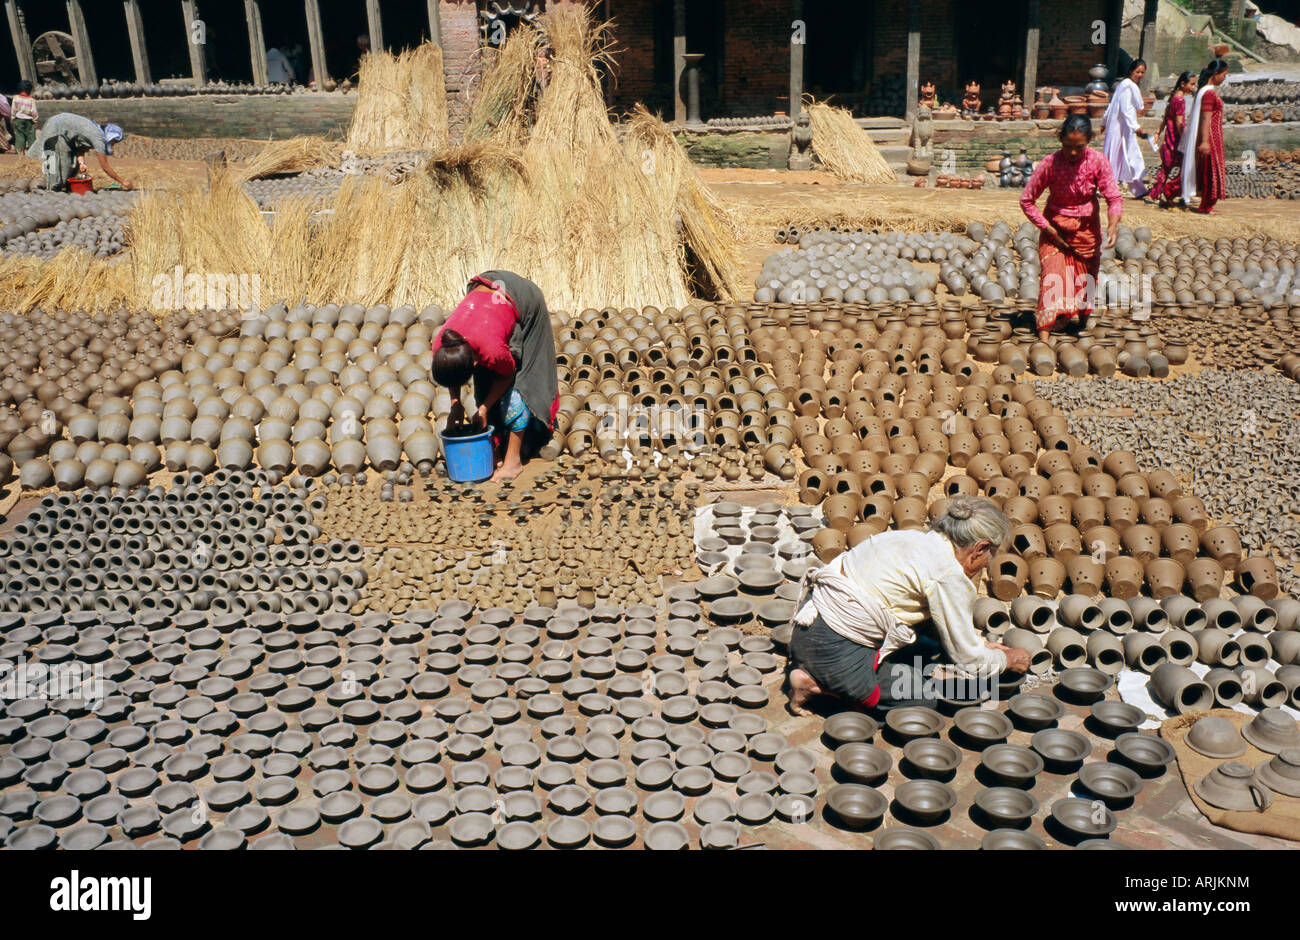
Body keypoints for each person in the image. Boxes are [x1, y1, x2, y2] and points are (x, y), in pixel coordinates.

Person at [786, 496, 1028, 716]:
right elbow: (969, 661)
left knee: (929, 645)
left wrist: (980, 645)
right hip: (833, 651)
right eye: (988, 558)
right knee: (921, 696)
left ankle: (825, 672)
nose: (985, 566)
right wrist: (1005, 660)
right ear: (980, 549)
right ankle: (820, 685)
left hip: (806, 628)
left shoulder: (910, 538)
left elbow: (949, 629)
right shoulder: (948, 574)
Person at [431, 272, 559, 481]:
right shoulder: (442, 344)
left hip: (522, 299)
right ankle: (496, 444)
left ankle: (513, 461)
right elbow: (451, 375)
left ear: (473, 363)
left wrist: (483, 408)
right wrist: (455, 404)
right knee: (485, 385)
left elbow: (508, 375)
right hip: (487, 295)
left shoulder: (491, 350)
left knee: (520, 389)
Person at [1019, 114, 1123, 342]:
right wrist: (1049, 231)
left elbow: (1113, 197)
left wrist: (1113, 225)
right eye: (1067, 147)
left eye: (1079, 147)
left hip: (1086, 231)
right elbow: (1027, 200)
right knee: (1051, 276)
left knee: (1086, 279)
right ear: (1060, 140)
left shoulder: (1098, 161)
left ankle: (1081, 322)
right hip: (1054, 228)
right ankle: (1044, 335)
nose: (1073, 153)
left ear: (1089, 141)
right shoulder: (1050, 163)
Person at [29, 114, 131, 191]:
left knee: (72, 166)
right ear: (110, 136)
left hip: (63, 130)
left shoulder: (97, 131)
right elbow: (105, 167)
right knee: (59, 165)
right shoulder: (98, 138)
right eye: (114, 142)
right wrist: (123, 182)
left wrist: (82, 163)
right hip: (56, 128)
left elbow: (80, 148)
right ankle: (51, 190)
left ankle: (61, 187)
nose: (113, 145)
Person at [1181, 59, 1229, 215]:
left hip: (1213, 136)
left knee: (1207, 169)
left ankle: (1205, 204)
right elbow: (1205, 118)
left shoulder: (1206, 91)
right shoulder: (1209, 93)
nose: (1224, 78)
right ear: (1215, 74)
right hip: (1211, 137)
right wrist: (1205, 141)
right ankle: (1206, 206)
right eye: (1224, 74)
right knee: (1211, 170)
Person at [1102, 59, 1150, 198]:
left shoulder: (1125, 85)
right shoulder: (1127, 86)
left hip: (1124, 128)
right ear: (1131, 71)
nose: (1140, 75)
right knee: (1119, 157)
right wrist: (1135, 126)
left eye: (1142, 72)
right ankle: (1106, 188)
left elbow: (1113, 105)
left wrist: (1104, 121)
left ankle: (1139, 189)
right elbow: (1125, 108)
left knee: (1130, 157)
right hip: (1120, 128)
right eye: (1137, 71)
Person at [1149, 71, 1196, 206]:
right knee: (1183, 167)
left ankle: (1155, 195)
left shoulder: (1173, 98)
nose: (1193, 87)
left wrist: (1159, 132)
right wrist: (1185, 139)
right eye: (1191, 84)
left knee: (1166, 168)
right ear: (1183, 84)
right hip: (1176, 139)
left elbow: (1166, 118)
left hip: (1169, 138)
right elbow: (1179, 123)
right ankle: (1171, 192)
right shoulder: (1180, 101)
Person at [11, 81, 37, 154]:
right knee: (31, 136)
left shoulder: (15, 98)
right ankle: (32, 152)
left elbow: (13, 109)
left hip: (18, 119)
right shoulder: (31, 100)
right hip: (29, 121)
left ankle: (21, 152)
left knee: (20, 136)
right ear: (29, 90)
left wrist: (13, 118)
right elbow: (34, 112)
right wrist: (35, 120)